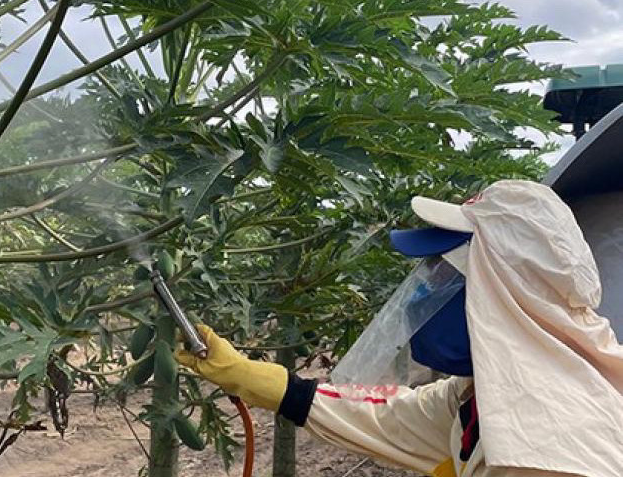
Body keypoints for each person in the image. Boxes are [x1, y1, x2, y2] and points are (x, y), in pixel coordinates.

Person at [176, 180, 623, 477]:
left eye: (443, 276)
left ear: (501, 295)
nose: (423, 293)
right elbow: (391, 417)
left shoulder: (548, 453)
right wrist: (265, 382)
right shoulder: (482, 400)